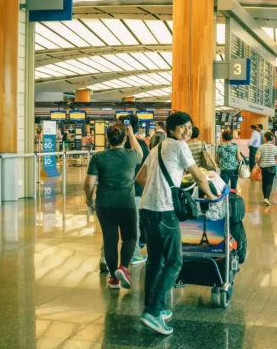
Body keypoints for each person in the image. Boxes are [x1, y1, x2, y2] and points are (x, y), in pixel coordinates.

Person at [136, 112, 217, 335]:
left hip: (147, 208)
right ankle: (154, 311)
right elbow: (198, 175)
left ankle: (152, 307)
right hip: (164, 211)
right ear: (171, 129)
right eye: (182, 127)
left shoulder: (157, 148)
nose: (187, 131)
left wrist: (156, 189)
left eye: (189, 126)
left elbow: (140, 178)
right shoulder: (181, 146)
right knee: (174, 261)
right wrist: (211, 195)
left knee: (155, 260)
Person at [84, 122, 143, 290]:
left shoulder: (98, 157)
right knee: (130, 237)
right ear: (124, 138)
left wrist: (89, 199)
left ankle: (114, 278)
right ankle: (123, 267)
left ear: (107, 138)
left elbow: (89, 183)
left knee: (110, 239)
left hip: (104, 203)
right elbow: (140, 152)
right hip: (126, 203)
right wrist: (131, 134)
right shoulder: (132, 155)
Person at [123, 115, 150, 266]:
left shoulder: (113, 145)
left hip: (114, 191)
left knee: (111, 228)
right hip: (135, 189)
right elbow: (146, 163)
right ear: (137, 128)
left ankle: (105, 258)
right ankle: (133, 254)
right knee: (134, 224)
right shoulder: (140, 145)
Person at [256, 132, 277, 206]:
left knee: (264, 183)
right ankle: (266, 198)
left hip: (263, 167)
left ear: (265, 138)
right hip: (271, 167)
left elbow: (257, 157)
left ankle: (265, 198)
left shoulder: (261, 147)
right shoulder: (275, 147)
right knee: (269, 183)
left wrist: (258, 163)